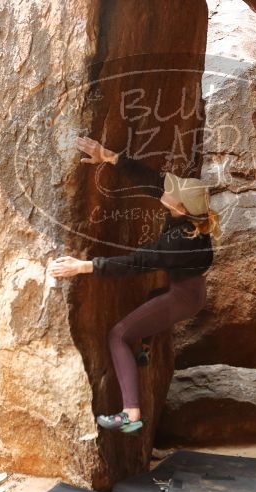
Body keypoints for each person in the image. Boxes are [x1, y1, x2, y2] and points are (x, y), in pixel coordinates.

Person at [49, 136, 220, 434]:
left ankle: (130, 413)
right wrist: (110, 157)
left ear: (179, 206)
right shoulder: (188, 218)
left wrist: (84, 267)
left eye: (171, 191)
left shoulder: (179, 242)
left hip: (183, 298)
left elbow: (136, 262)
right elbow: (153, 182)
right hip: (188, 291)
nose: (164, 189)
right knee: (153, 298)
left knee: (118, 335)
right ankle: (144, 344)